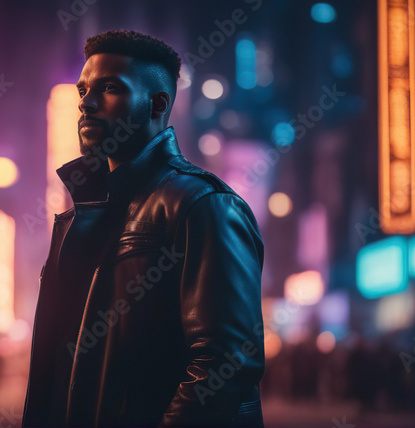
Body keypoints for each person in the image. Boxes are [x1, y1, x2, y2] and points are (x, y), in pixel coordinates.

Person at [22, 29, 265, 427]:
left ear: (157, 104)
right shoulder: (78, 219)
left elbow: (227, 363)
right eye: (83, 90)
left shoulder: (203, 205)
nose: (86, 103)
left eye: (110, 88)